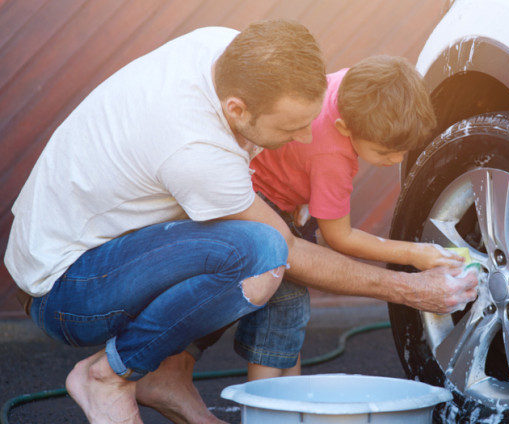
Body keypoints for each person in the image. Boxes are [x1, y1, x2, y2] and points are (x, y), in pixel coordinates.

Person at [3, 20, 478, 424]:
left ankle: (169, 376)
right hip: (67, 291)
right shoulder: (197, 151)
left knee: (259, 250)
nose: (299, 138)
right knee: (262, 253)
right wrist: (411, 289)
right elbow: (288, 252)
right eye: (290, 130)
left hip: (84, 247)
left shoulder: (227, 50)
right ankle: (110, 374)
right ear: (237, 109)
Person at [244, 55, 465, 380]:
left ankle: (290, 398)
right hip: (259, 201)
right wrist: (415, 252)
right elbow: (339, 238)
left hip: (277, 192)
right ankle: (263, 406)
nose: (396, 159)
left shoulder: (356, 88)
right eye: (385, 152)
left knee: (290, 313)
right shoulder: (331, 157)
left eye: (402, 151)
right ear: (344, 127)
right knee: (284, 306)